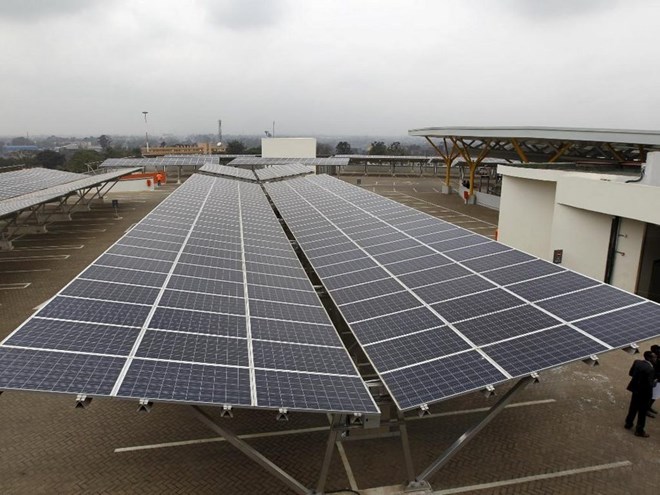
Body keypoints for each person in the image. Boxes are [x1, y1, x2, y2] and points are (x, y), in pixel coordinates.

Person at [625, 351, 657, 437]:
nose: (656, 359)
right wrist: (654, 382)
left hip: (635, 389)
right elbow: (650, 384)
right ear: (649, 358)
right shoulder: (650, 369)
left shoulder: (637, 362)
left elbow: (631, 373)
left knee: (633, 408)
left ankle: (628, 423)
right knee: (642, 412)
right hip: (644, 393)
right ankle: (639, 430)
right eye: (654, 357)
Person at [649, 344, 660, 415]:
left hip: (658, 380)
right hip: (656, 380)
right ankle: (646, 408)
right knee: (652, 395)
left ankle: (648, 407)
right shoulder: (654, 360)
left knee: (655, 395)